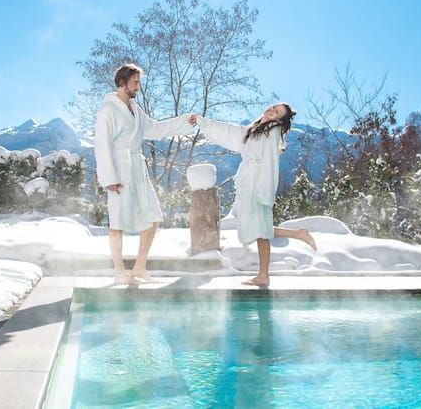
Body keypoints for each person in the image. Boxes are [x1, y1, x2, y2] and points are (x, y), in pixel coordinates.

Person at [190, 103, 316, 286]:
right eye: (274, 107)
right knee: (258, 227)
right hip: (248, 185)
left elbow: (269, 165)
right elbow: (228, 131)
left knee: (261, 232)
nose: (272, 110)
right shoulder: (255, 129)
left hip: (258, 187)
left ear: (279, 120)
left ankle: (263, 275)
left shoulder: (272, 133)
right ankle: (298, 234)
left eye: (278, 112)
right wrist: (203, 122)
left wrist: (264, 193)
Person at [95, 63, 195, 285]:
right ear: (122, 83)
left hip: (138, 169)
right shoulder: (108, 111)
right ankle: (120, 272)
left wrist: (184, 122)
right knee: (117, 223)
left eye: (139, 82)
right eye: (135, 82)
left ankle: (139, 268)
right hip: (119, 171)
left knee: (153, 217)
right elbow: (102, 145)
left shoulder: (135, 110)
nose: (138, 87)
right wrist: (109, 178)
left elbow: (157, 129)